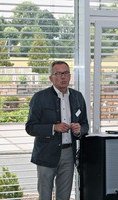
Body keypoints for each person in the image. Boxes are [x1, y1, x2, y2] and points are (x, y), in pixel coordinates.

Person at [25, 60, 89, 200]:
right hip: (46, 153)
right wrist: (53, 128)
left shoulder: (77, 97)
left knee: (64, 196)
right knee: (45, 195)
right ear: (51, 78)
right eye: (58, 74)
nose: (63, 77)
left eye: (65, 73)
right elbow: (30, 127)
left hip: (68, 153)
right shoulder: (40, 98)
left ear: (70, 76)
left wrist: (79, 130)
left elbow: (85, 125)